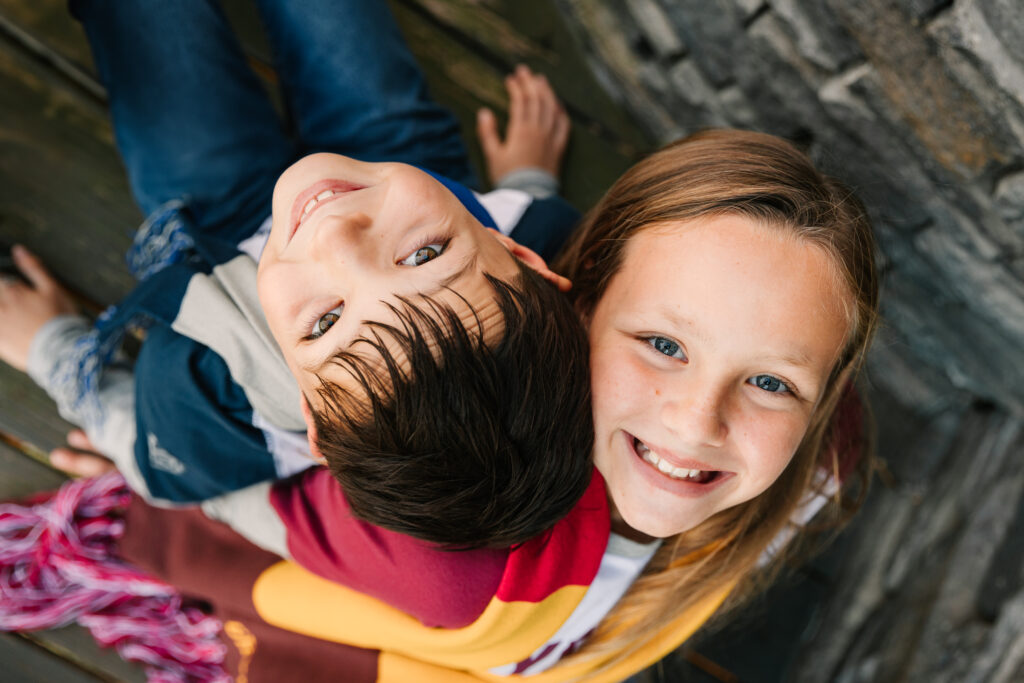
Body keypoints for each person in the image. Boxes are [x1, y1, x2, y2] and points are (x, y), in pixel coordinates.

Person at [0, 0, 595, 550]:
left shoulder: (228, 407)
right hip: (403, 161)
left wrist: (50, 346)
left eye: (328, 322)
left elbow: (149, 461)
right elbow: (538, 221)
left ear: (312, 419)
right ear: (521, 256)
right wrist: (527, 184)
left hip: (214, 225)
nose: (333, 237)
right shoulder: (551, 231)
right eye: (425, 257)